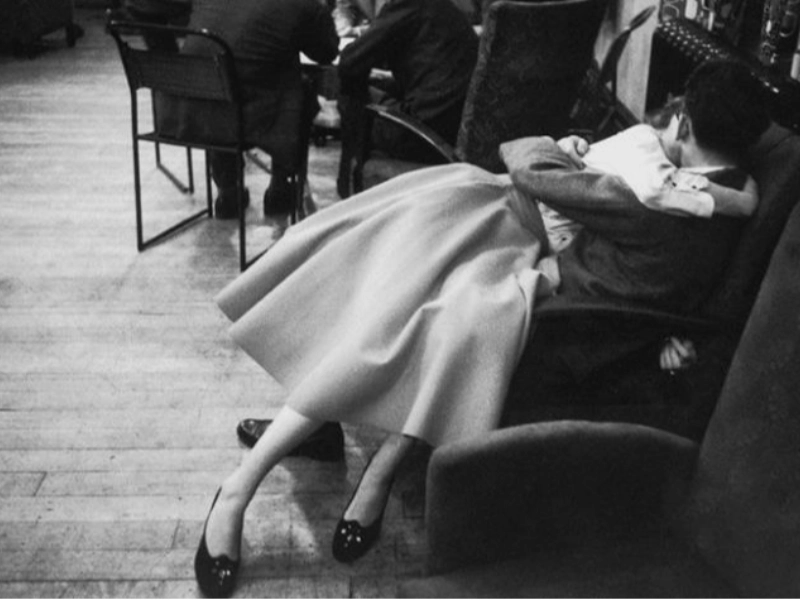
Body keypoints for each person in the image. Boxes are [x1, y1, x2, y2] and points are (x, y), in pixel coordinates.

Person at [193, 60, 770, 597]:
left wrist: (565, 148)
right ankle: (290, 471)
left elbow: (524, 157)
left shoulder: (655, 198)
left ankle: (277, 480)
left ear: (684, 120)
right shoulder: (717, 198)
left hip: (509, 240)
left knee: (396, 321)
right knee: (376, 303)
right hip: (492, 225)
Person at [156, 0, 339, 220]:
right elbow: (327, 53)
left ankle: (228, 190)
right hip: (245, 117)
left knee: (223, 77)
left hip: (185, 113)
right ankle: (282, 187)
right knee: (299, 87)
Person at [335, 0, 479, 196]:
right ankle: (351, 183)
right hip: (459, 132)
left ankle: (349, 191)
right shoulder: (447, 8)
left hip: (423, 136)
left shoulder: (405, 4)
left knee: (350, 92)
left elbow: (349, 63)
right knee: (373, 88)